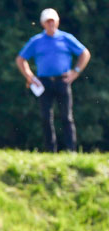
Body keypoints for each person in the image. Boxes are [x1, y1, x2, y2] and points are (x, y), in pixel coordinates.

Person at [16, 8, 90, 152]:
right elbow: (21, 59)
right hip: (44, 82)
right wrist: (29, 77)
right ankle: (50, 150)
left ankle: (71, 150)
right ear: (43, 23)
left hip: (63, 81)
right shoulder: (36, 41)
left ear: (57, 21)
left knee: (66, 117)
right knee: (46, 118)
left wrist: (76, 72)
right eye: (48, 21)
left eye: (53, 21)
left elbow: (84, 53)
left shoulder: (66, 38)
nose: (51, 24)